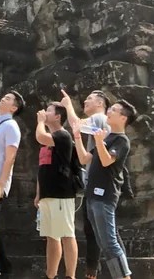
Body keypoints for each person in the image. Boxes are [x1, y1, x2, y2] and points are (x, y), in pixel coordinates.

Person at [73, 100, 137, 279]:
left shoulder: (121, 140)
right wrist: (78, 137)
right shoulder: (107, 137)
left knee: (110, 242)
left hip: (105, 195)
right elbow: (85, 158)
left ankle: (124, 276)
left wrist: (99, 142)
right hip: (92, 195)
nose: (109, 111)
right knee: (103, 242)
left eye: (114, 110)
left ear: (123, 117)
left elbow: (107, 160)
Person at [60, 88, 110, 279]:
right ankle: (93, 271)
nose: (85, 102)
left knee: (101, 231)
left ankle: (95, 271)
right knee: (93, 229)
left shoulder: (99, 119)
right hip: (94, 181)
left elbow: (76, 125)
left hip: (100, 183)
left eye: (89, 98)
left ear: (100, 103)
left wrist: (68, 105)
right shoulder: (99, 121)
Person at [34, 103, 78, 279]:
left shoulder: (62, 135)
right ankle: (50, 275)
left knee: (67, 233)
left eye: (49, 111)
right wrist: (38, 193)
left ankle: (70, 275)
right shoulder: (48, 141)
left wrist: (40, 122)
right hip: (47, 193)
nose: (45, 112)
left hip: (61, 192)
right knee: (51, 236)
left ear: (58, 116)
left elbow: (40, 136)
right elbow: (42, 168)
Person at [0, 90, 24, 277]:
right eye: (3, 97)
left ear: (14, 108)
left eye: (8, 99)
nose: (2, 99)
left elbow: (10, 157)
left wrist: (1, 182)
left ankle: (1, 265)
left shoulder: (11, 126)